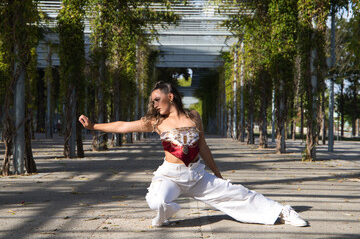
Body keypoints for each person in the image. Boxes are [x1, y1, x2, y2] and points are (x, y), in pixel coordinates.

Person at [79, 81, 307, 227]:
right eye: (152, 101)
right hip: (170, 176)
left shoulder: (194, 116)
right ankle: (164, 216)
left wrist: (217, 174)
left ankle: (283, 212)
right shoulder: (156, 121)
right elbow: (123, 126)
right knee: (156, 200)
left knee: (239, 193)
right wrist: (94, 126)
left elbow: (204, 147)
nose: (154, 104)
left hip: (197, 176)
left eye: (157, 99)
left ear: (171, 96)